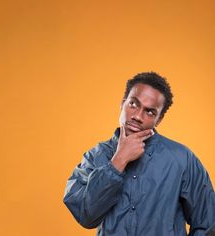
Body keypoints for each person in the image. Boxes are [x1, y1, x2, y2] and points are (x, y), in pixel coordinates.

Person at [63, 72, 215, 235]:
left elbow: (208, 223)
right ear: (122, 103)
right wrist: (118, 161)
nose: (137, 116)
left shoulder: (182, 159)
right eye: (133, 104)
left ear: (159, 119)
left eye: (150, 112)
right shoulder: (94, 157)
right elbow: (86, 216)